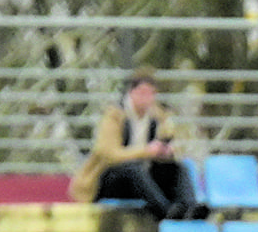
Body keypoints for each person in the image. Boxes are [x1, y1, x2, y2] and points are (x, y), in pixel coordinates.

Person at [71, 68, 202, 220]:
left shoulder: (158, 117)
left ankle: (191, 209)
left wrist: (167, 151)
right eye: (141, 93)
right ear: (131, 93)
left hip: (145, 181)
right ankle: (166, 212)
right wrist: (147, 151)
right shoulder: (114, 115)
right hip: (112, 180)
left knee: (179, 168)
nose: (145, 98)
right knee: (133, 169)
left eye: (150, 94)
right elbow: (110, 154)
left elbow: (177, 144)